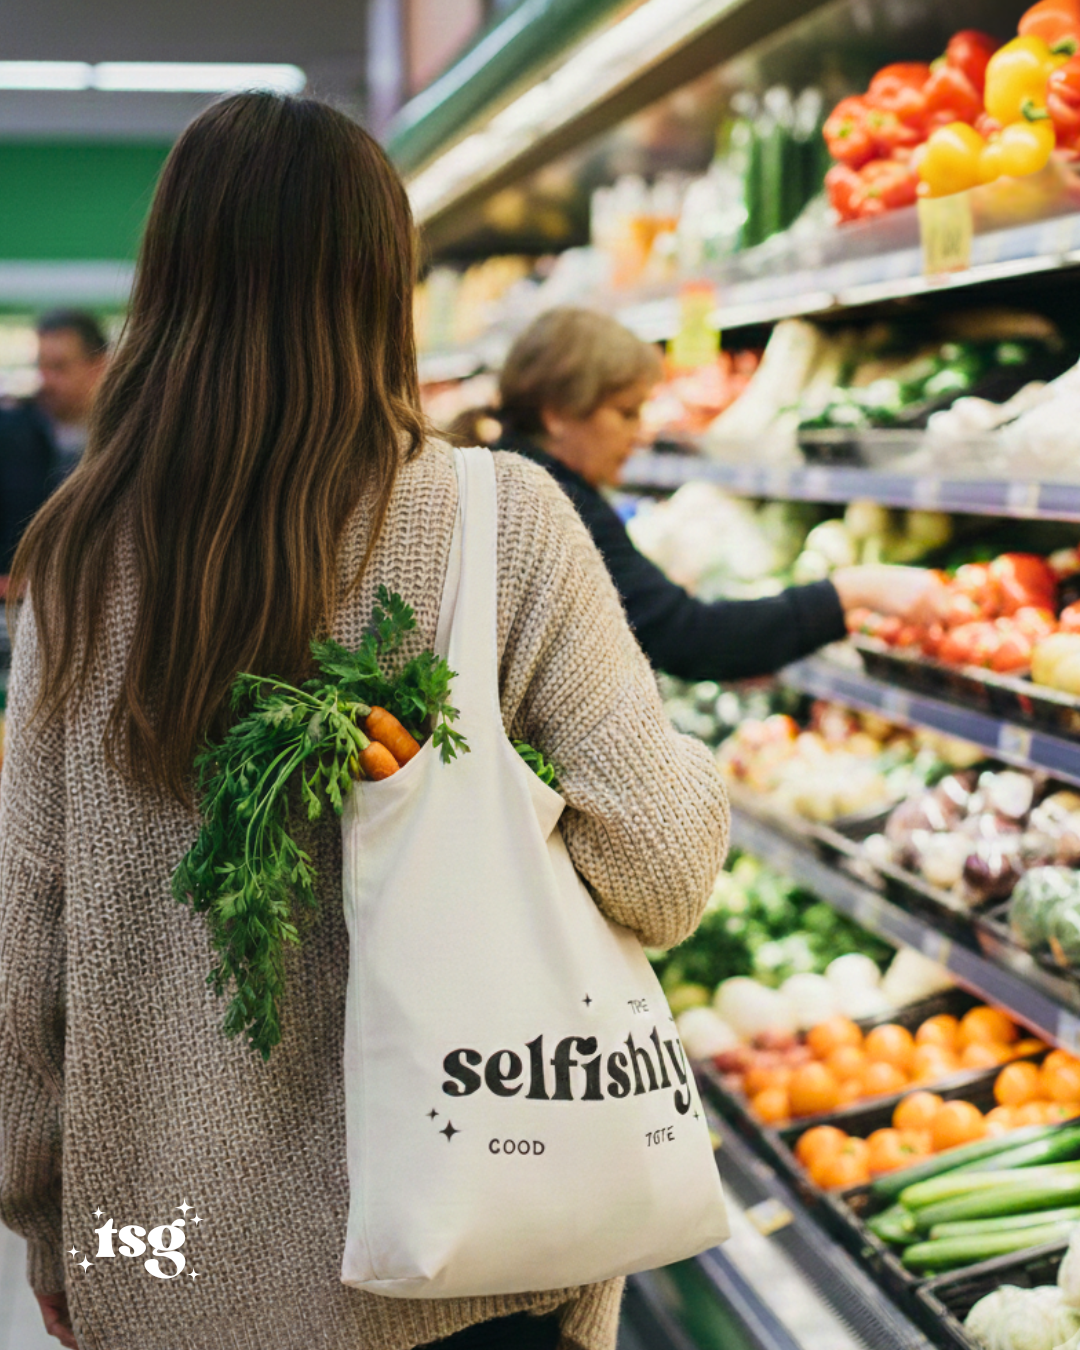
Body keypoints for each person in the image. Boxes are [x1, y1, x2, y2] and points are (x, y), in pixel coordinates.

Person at [0, 95, 729, 1350]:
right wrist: (667, 769)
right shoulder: (503, 519)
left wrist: (51, 1224)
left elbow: (27, 942)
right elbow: (661, 874)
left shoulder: (78, 557)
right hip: (472, 1255)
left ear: (167, 283)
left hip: (169, 1262)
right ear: (385, 285)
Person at [454, 308, 947, 683]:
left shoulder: (503, 474)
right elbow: (687, 638)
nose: (641, 433)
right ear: (557, 413)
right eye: (625, 413)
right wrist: (850, 592)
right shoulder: (551, 502)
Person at [0, 309, 109, 574]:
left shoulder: (122, 438)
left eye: (59, 367)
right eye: (41, 366)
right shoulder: (9, 436)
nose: (45, 380)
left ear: (99, 365)